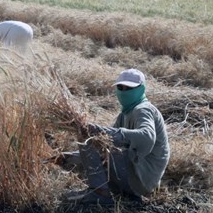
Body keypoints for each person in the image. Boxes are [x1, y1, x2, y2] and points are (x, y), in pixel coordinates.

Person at [61, 69, 170, 205]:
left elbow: (147, 137)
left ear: (141, 88)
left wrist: (104, 131)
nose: (124, 91)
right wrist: (67, 158)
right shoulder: (125, 114)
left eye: (129, 88)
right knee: (94, 138)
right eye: (120, 87)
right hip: (135, 175)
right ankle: (99, 190)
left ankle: (99, 193)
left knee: (91, 135)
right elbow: (100, 147)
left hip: (142, 179)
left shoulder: (143, 109)